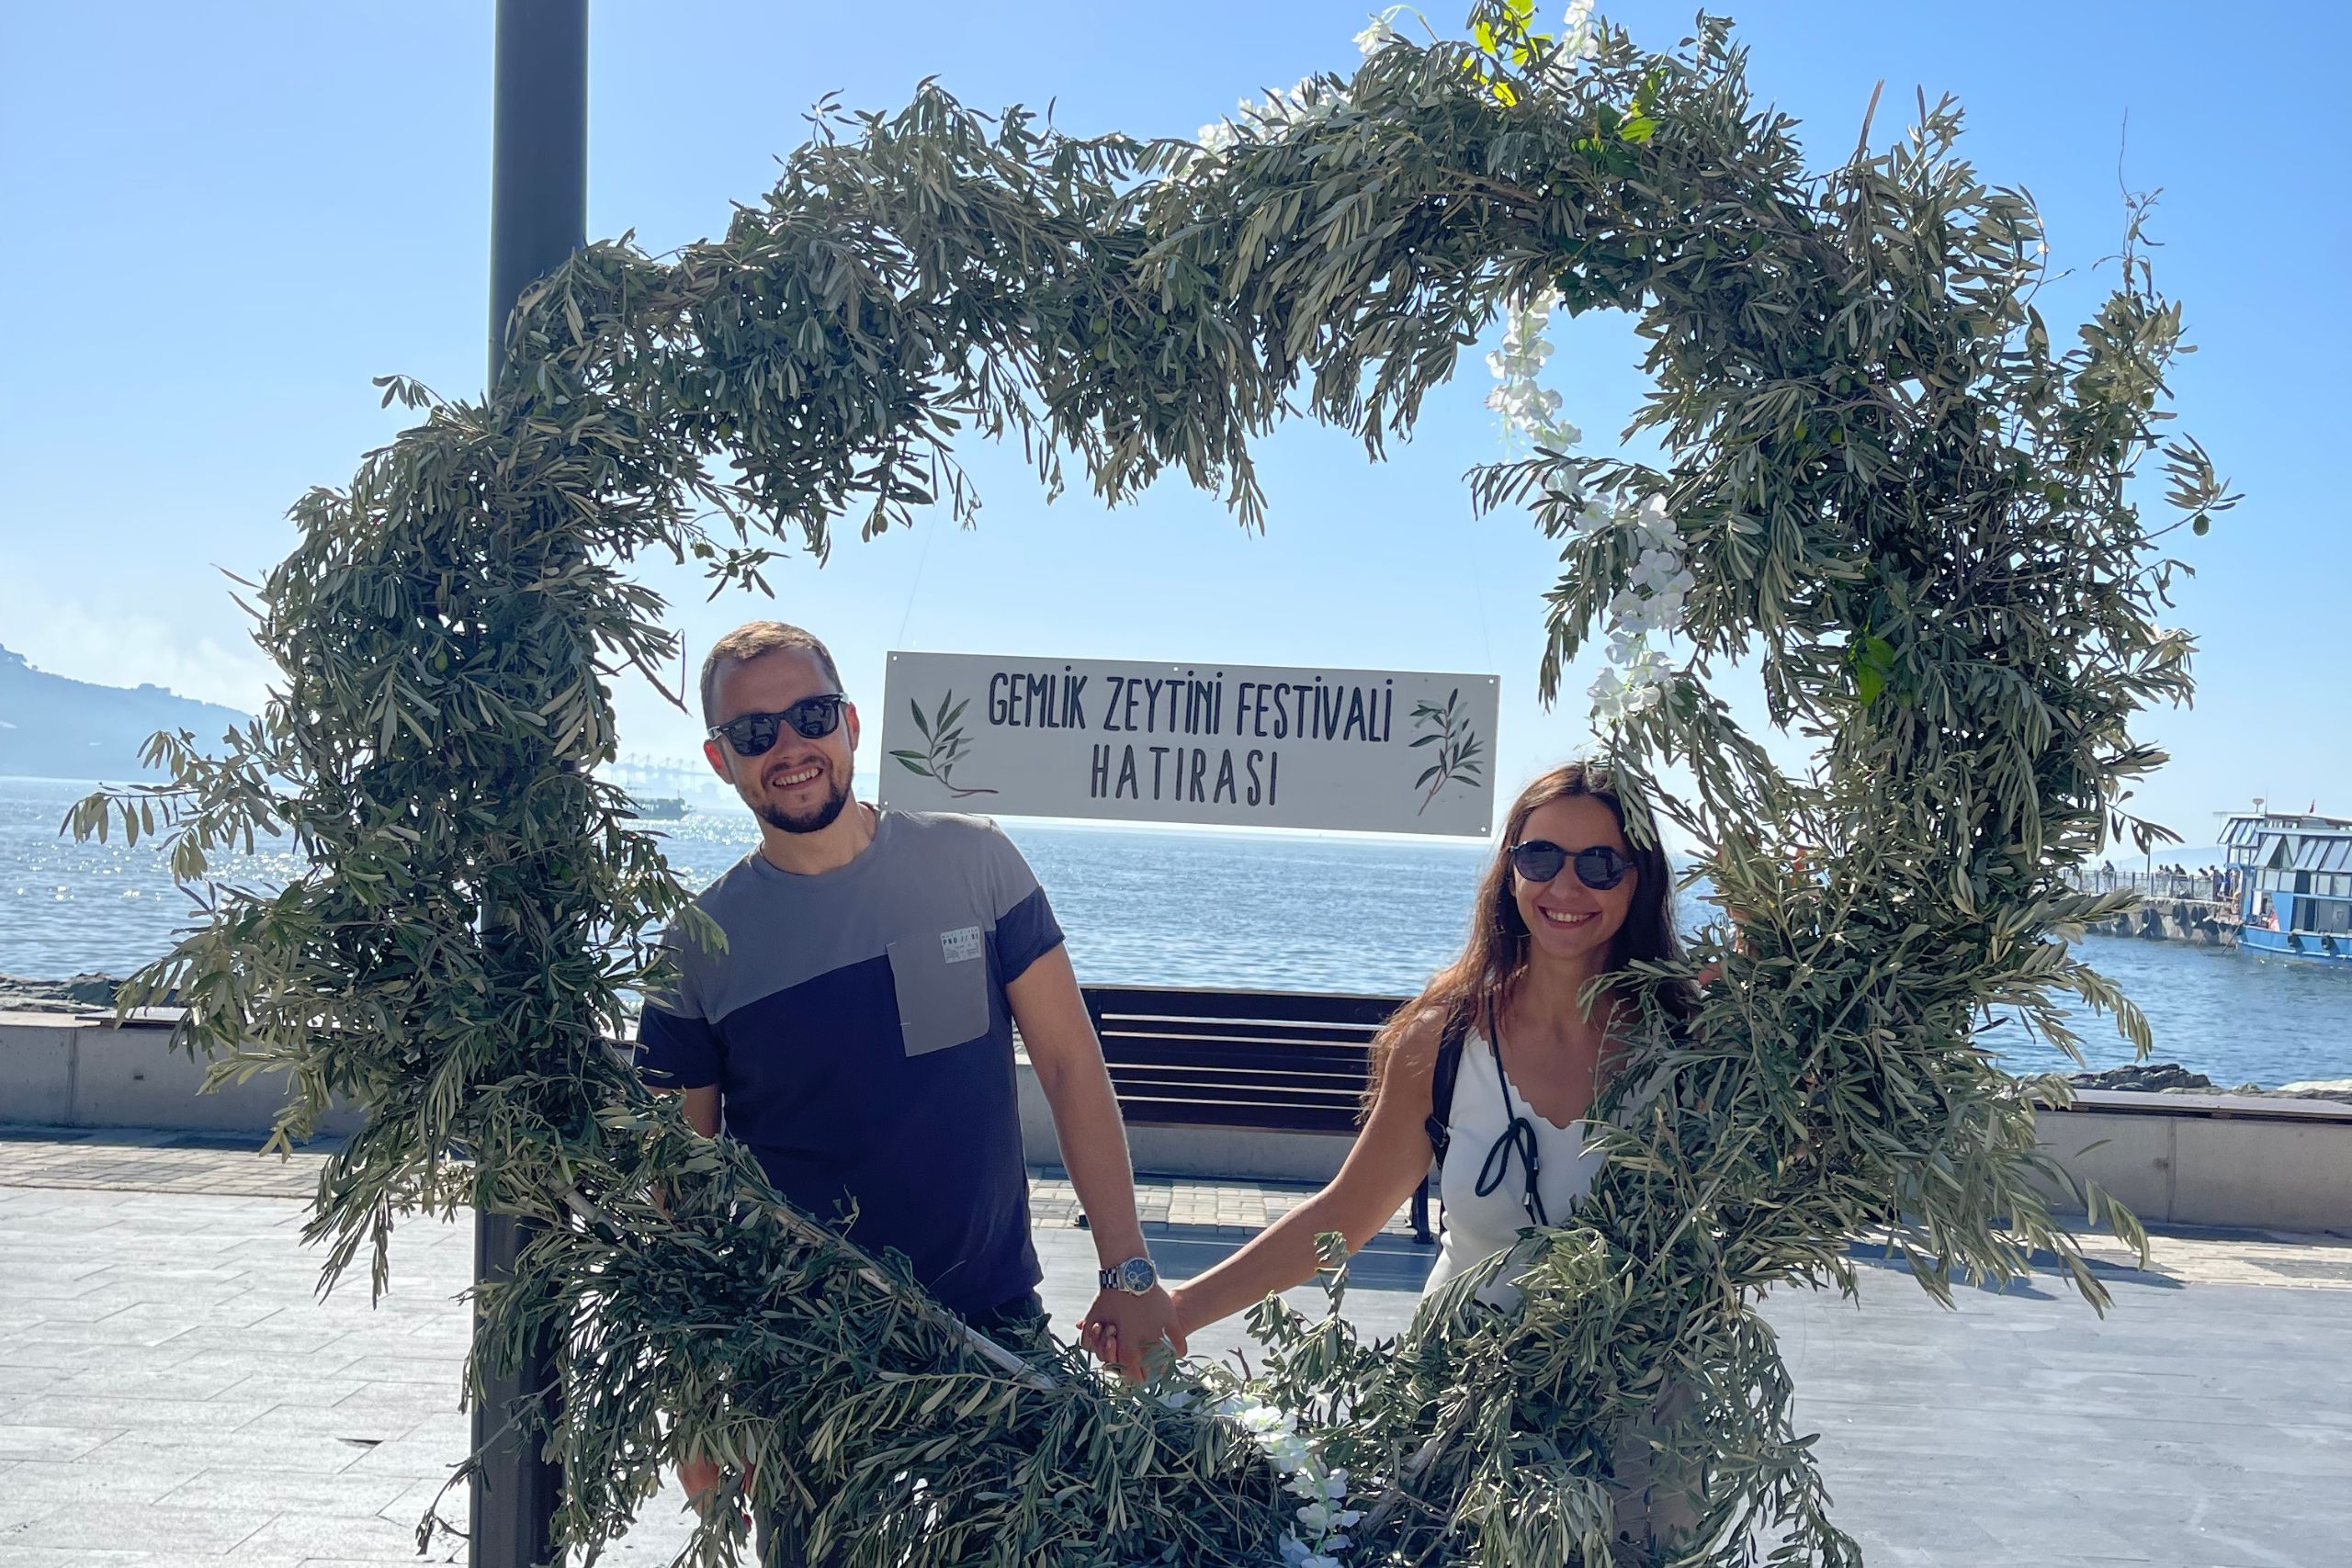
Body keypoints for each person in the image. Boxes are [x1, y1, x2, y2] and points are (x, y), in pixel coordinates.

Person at [636, 620, 1182, 1558]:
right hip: (804, 1353)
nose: (789, 746)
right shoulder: (696, 948)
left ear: (850, 723)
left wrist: (1128, 1270)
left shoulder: (974, 862)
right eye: (754, 731)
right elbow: (676, 1196)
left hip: (991, 1327)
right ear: (721, 759)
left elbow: (1068, 1065)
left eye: (810, 716)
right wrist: (694, 1398)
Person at [1102, 761, 1705, 1554]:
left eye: (1600, 863)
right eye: (1540, 856)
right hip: (1466, 1416)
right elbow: (1340, 1218)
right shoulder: (1445, 1041)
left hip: (1638, 1429)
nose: (1566, 885)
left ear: (1639, 879)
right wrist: (1176, 1312)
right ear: (1510, 870)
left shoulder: (1692, 1047)